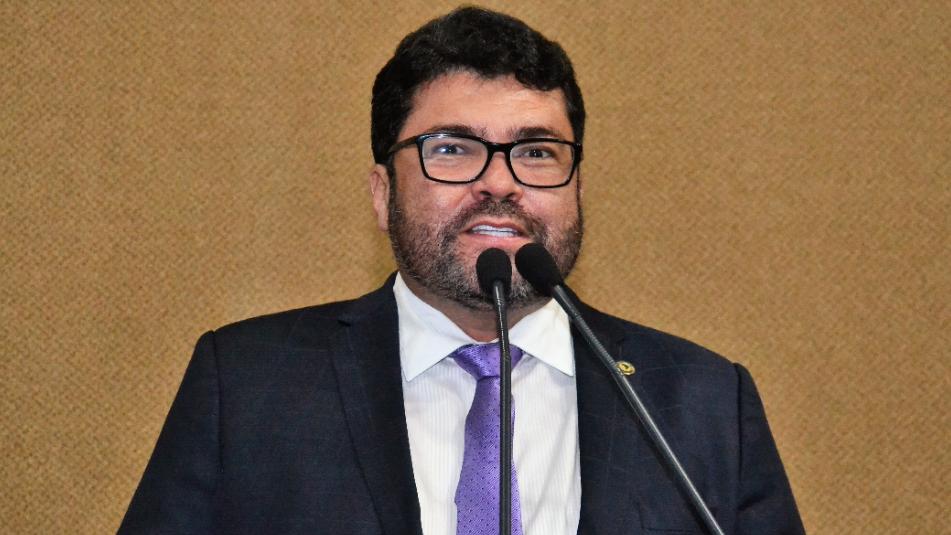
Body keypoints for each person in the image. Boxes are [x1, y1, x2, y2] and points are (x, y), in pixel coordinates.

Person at [119, 7, 804, 535]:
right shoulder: (247, 385)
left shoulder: (705, 403)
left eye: (536, 152)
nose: (499, 183)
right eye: (452, 149)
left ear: (577, 188)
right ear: (382, 193)